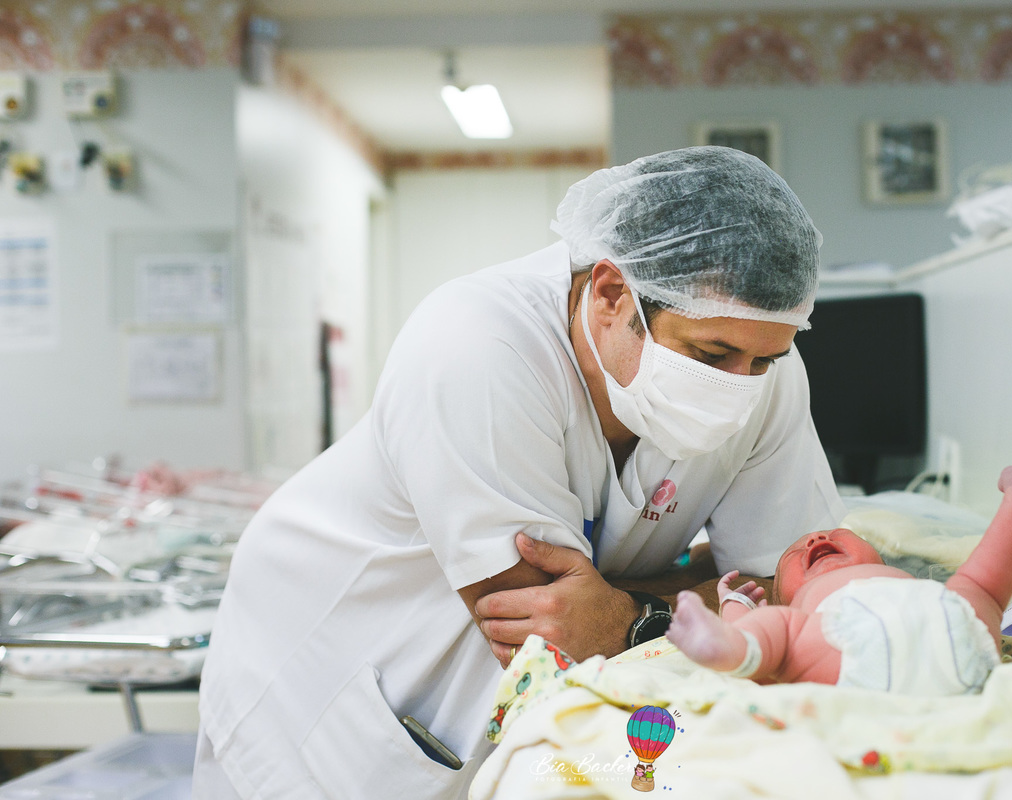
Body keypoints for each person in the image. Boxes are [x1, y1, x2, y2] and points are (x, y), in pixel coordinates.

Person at [191, 146, 845, 799]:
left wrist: (624, 612)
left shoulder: (769, 375)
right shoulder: (477, 344)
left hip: (501, 719)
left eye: (764, 361)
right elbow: (545, 625)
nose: (739, 386)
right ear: (612, 293)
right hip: (330, 688)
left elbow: (802, 582)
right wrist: (691, 594)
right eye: (711, 353)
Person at [666, 465, 1012, 693]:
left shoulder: (905, 583)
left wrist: (739, 611)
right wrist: (736, 607)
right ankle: (734, 647)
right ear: (784, 596)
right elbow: (777, 624)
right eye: (796, 556)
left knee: (978, 584)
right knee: (782, 634)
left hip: (947, 626)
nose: (816, 539)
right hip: (851, 648)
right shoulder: (802, 617)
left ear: (883, 562)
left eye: (835, 534)